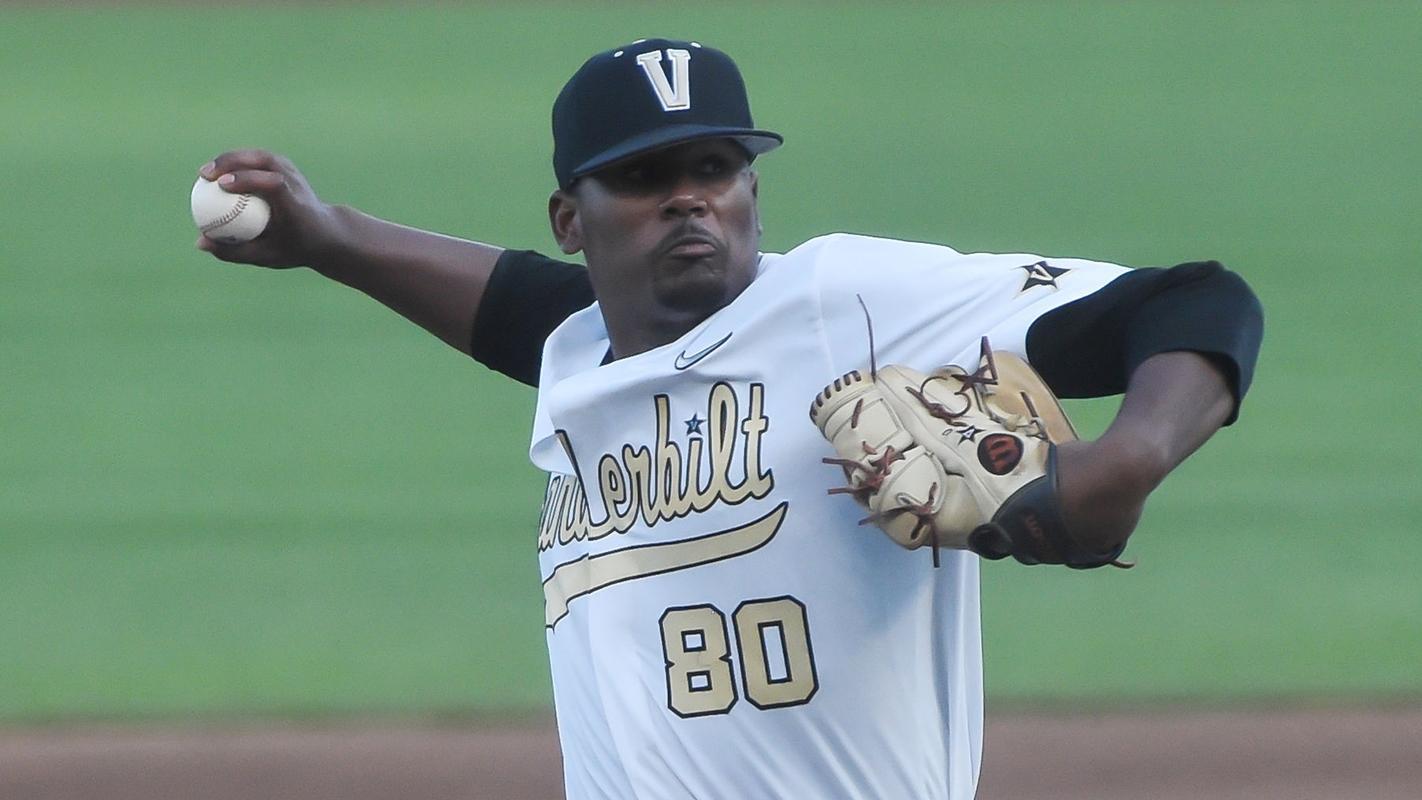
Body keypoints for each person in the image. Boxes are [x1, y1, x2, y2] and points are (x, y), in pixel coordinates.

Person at [197, 38, 1263, 800]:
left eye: (715, 167)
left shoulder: (843, 302)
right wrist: (329, 237)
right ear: (574, 219)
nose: (690, 197)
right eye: (645, 177)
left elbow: (1196, 299)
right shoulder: (583, 349)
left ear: (752, 188)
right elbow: (517, 303)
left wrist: (1126, 458)